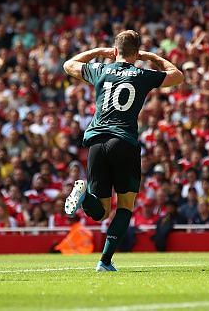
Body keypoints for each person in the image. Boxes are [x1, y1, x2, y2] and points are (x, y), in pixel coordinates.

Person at [63, 30, 183, 271]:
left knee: (101, 212)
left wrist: (98, 52)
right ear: (136, 53)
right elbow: (177, 76)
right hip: (123, 142)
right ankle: (104, 262)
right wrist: (152, 57)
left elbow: (69, 65)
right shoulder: (141, 74)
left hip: (96, 142)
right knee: (125, 206)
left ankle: (84, 197)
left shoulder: (100, 70)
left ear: (114, 51)